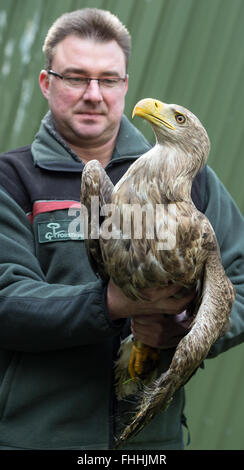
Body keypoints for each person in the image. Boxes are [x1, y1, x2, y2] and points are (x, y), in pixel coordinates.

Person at [0, 7, 243, 451]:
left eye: (108, 79)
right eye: (75, 77)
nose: (93, 94)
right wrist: (113, 304)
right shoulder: (10, 179)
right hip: (38, 438)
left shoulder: (197, 183)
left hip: (152, 444)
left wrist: (184, 327)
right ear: (46, 82)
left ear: (125, 84)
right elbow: (6, 301)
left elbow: (239, 283)